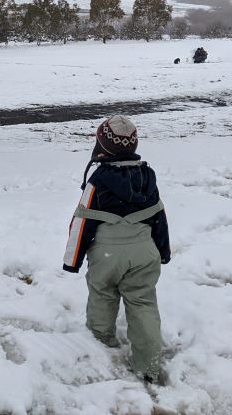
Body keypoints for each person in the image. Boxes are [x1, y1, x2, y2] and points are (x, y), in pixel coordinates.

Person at [62, 115, 171, 384]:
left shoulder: (98, 181)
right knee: (143, 302)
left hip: (107, 254)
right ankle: (149, 365)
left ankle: (101, 346)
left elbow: (82, 220)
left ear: (102, 147)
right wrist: (163, 251)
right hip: (144, 252)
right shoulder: (147, 177)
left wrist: (72, 261)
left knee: (102, 296)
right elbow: (159, 215)